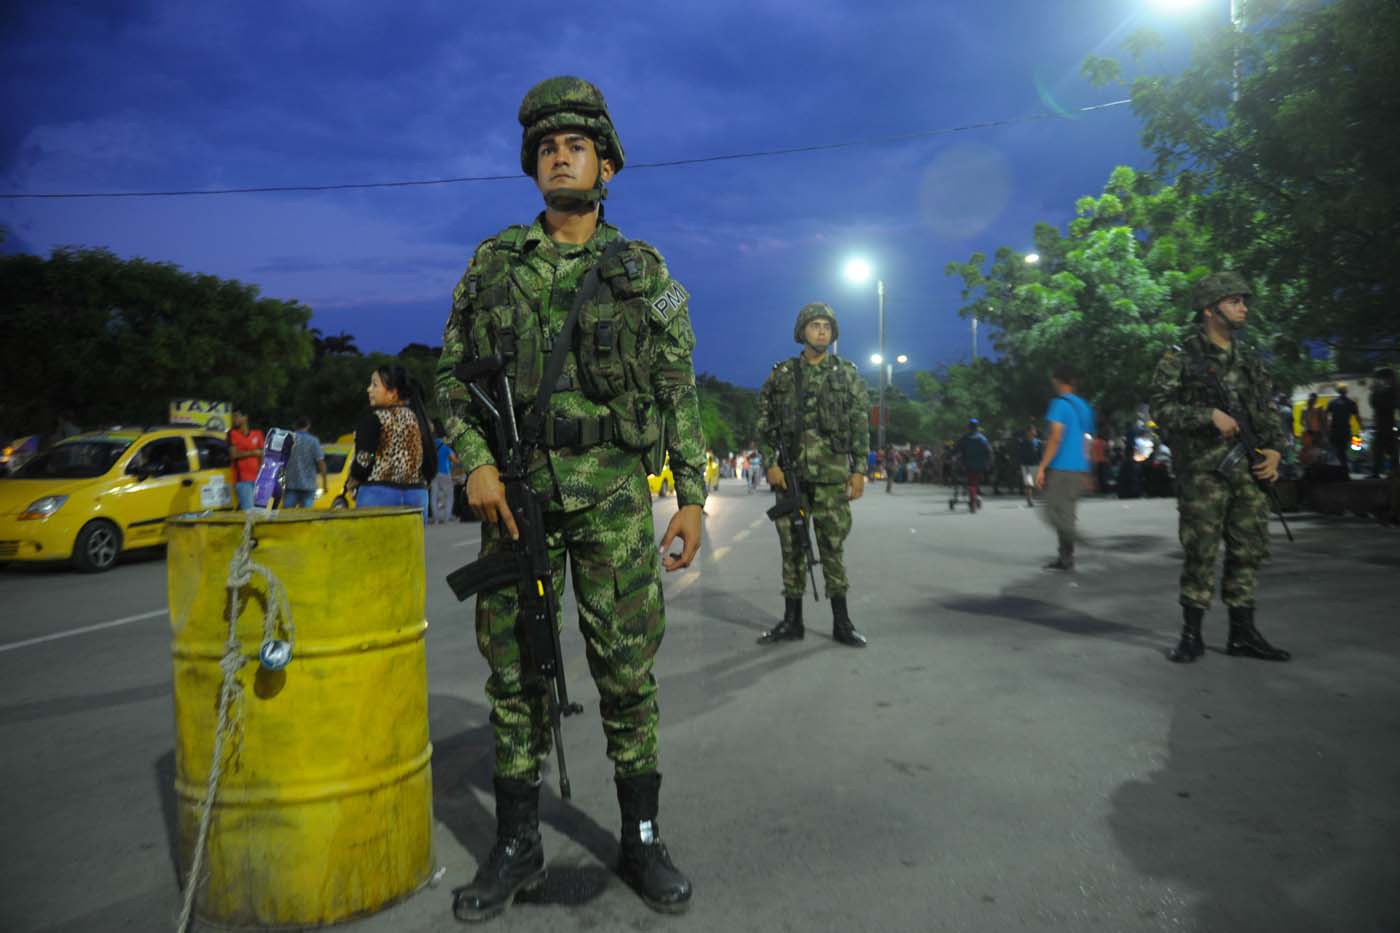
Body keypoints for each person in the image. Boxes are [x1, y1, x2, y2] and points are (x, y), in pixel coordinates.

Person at [436, 76, 702, 919]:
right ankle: (516, 847)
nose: (561, 154)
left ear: (608, 168)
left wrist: (691, 494)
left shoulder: (642, 270)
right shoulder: (492, 266)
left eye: (576, 145)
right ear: (533, 165)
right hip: (517, 500)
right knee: (515, 676)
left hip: (616, 500)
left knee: (627, 673)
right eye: (548, 146)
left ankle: (643, 834)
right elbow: (450, 378)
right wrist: (473, 461)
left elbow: (675, 385)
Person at [1149, 271, 1290, 664]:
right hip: (1203, 473)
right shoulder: (1180, 357)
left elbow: (1266, 411)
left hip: (1248, 468)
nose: (1244, 308)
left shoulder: (1248, 359)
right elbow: (1161, 409)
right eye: (1234, 301)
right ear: (1210, 310)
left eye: (1244, 301)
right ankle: (1191, 634)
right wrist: (1207, 414)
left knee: (1248, 551)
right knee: (1201, 552)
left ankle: (1242, 633)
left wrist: (1276, 452)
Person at [754, 302, 870, 648]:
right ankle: (793, 620)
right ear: (801, 331)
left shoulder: (846, 373)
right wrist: (770, 463)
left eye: (827, 326)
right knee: (792, 549)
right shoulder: (783, 374)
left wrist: (860, 469)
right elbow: (763, 422)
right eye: (815, 325)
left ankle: (842, 622)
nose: (822, 331)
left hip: (833, 474)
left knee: (832, 547)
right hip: (791, 476)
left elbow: (860, 423)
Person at [347, 365, 436, 521]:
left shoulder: (374, 419)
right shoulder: (420, 421)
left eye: (374, 385)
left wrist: (354, 480)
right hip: (417, 496)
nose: (369, 390)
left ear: (392, 393)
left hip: (378, 495)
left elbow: (365, 458)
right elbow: (429, 460)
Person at [1035, 368, 1094, 570]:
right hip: (1078, 467)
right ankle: (1066, 559)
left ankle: (1076, 538)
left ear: (1058, 382)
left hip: (1061, 466)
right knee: (1067, 512)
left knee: (1050, 511)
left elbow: (1056, 437)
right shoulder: (1085, 407)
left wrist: (1042, 467)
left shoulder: (1058, 404)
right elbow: (1088, 439)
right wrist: (1086, 468)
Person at [282, 416, 326, 509]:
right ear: (308, 425)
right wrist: (325, 483)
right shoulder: (313, 441)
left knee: (287, 515)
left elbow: (282, 460)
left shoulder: (288, 440)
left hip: (291, 484)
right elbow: (320, 462)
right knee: (306, 516)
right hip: (308, 485)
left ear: (295, 426)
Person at [227, 410, 264, 511]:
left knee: (260, 511)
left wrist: (262, 474)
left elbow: (261, 455)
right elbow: (233, 455)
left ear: (245, 417)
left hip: (257, 478)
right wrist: (253, 453)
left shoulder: (257, 434)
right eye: (233, 417)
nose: (234, 420)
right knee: (249, 512)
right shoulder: (232, 434)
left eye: (236, 416)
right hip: (242, 480)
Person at [953, 419, 991, 512]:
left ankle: (973, 501)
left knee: (971, 483)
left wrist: (950, 456)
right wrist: (988, 462)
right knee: (975, 482)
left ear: (968, 427)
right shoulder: (982, 438)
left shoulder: (964, 438)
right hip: (980, 465)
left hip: (967, 464)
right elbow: (989, 451)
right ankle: (974, 499)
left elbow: (956, 450)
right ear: (977, 427)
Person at [1326, 383, 1360, 476]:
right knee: (1343, 449)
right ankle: (1344, 468)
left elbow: (1327, 417)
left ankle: (1343, 468)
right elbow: (1357, 416)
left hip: (1335, 429)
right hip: (1346, 430)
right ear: (1346, 391)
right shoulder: (1351, 403)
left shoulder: (1332, 402)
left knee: (1337, 450)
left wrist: (1326, 429)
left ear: (1338, 391)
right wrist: (1361, 426)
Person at [1367, 368, 1396, 477]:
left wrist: (1374, 392)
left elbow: (1376, 403)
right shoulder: (1391, 390)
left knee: (1380, 449)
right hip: (1386, 424)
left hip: (1384, 424)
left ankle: (1377, 472)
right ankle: (1391, 471)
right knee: (1387, 449)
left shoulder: (1389, 391)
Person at [430, 421, 458, 524]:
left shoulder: (431, 445)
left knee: (434, 496)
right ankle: (447, 517)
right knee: (449, 496)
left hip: (434, 474)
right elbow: (454, 459)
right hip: (445, 473)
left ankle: (436, 519)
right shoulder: (445, 446)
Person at [1017, 424, 1042, 507]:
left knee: (1036, 484)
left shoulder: (1038, 442)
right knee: (1028, 484)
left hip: (1036, 465)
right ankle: (1029, 500)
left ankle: (1037, 497)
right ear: (1027, 432)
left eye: (1034, 430)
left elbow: (1040, 454)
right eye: (1032, 430)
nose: (1034, 432)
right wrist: (1021, 464)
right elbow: (1020, 454)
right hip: (1026, 465)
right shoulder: (1022, 442)